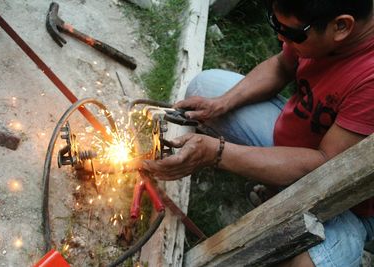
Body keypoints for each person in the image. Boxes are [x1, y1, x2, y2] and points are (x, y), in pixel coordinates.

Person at [142, 0, 374, 266]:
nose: (279, 36)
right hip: (291, 137)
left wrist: (216, 152)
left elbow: (325, 164)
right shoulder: (316, 25)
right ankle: (276, 185)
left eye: (291, 33)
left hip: (346, 198)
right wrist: (223, 103)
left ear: (342, 26)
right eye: (276, 24)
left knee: (304, 264)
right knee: (203, 88)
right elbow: (282, 66)